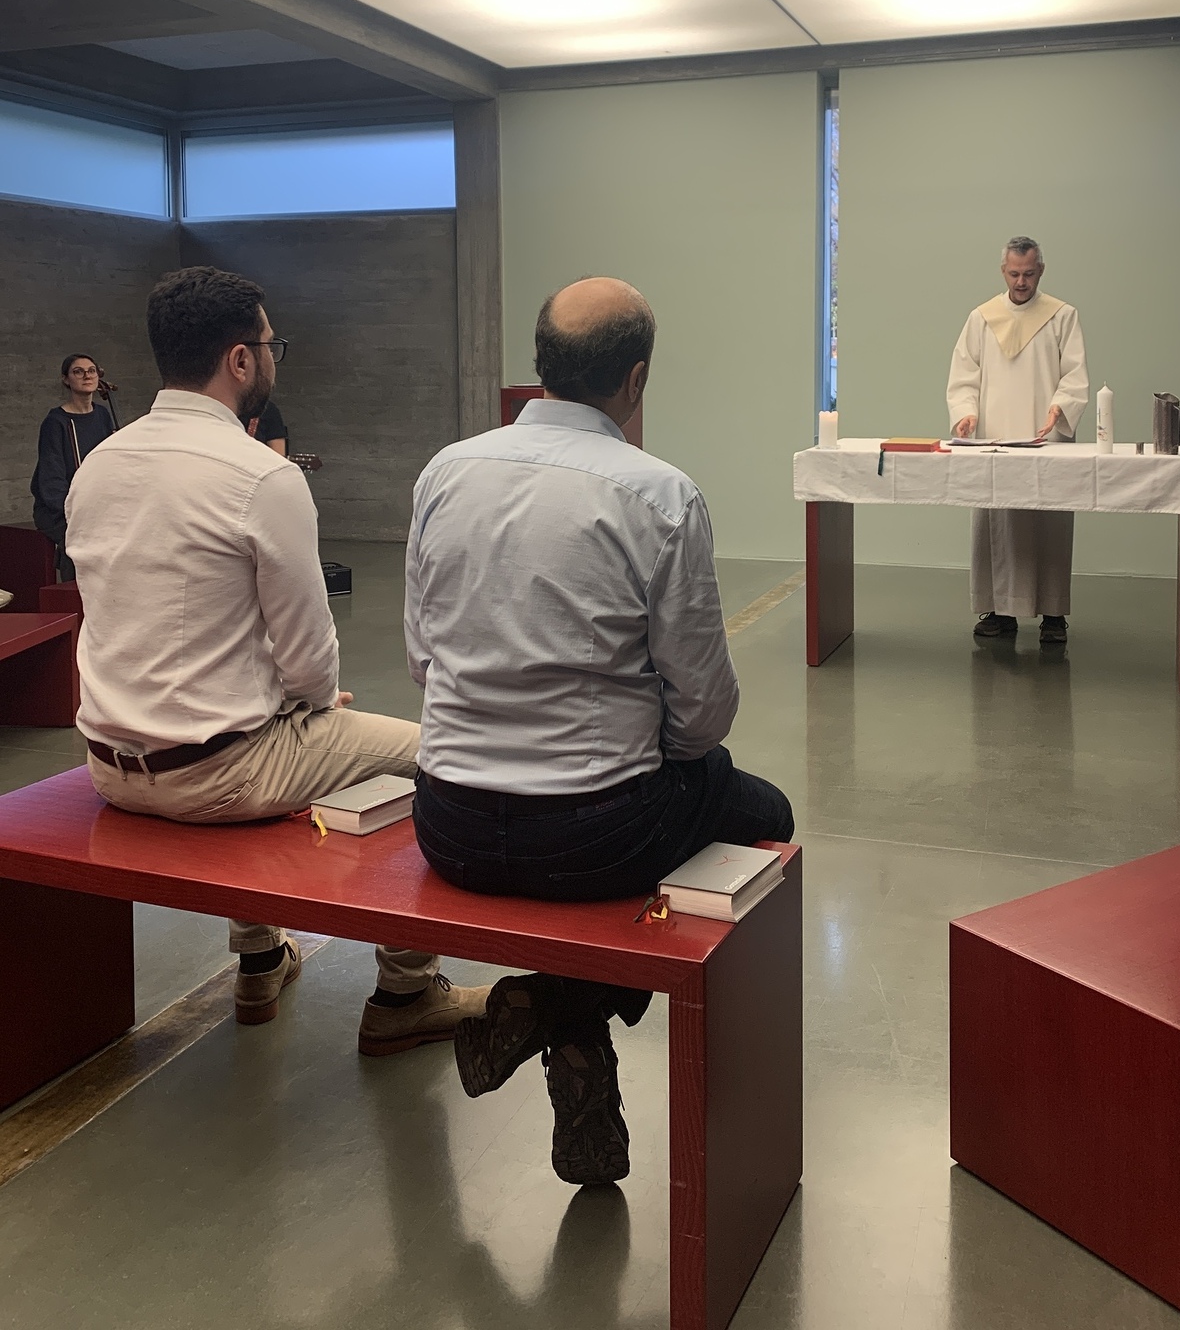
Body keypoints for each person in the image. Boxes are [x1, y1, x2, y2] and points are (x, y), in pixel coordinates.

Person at [406, 277, 794, 1186]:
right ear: (636, 378)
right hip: (597, 835)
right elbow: (702, 712)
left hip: (449, 826)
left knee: (661, 806)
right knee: (763, 811)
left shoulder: (445, 472)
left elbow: (424, 661)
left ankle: (567, 1044)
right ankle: (549, 1005)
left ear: (540, 365)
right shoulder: (659, 496)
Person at [64, 265, 488, 1047]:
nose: (272, 357)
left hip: (110, 767)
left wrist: (294, 704)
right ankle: (406, 991)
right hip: (218, 775)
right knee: (436, 756)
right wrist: (315, 704)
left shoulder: (100, 465)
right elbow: (309, 651)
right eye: (270, 345)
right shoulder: (261, 475)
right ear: (239, 359)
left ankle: (260, 956)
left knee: (263, 721)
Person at [947, 237, 1089, 645]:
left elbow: (1075, 374)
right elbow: (964, 376)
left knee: (1049, 521)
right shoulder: (982, 318)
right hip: (996, 436)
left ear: (1040, 270)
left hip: (1045, 435)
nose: (1021, 282)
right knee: (999, 521)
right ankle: (999, 609)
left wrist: (1060, 407)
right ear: (1003, 271)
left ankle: (1054, 615)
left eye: (1028, 273)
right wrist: (965, 412)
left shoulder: (1061, 316)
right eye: (1014, 274)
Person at [31, 354, 117, 580]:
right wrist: (77, 511)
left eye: (92, 370)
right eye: (78, 371)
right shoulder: (56, 422)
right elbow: (51, 481)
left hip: (94, 505)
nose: (87, 375)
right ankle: (75, 592)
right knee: (84, 541)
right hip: (60, 510)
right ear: (66, 379)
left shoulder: (102, 415)